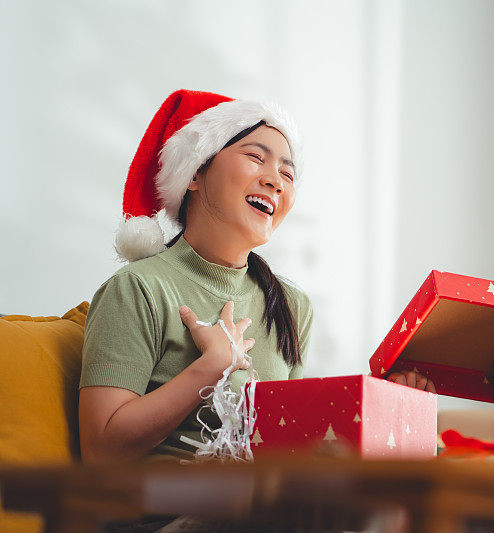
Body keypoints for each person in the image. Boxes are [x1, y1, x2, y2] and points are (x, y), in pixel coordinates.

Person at [77, 89, 433, 531]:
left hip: (264, 505)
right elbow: (100, 450)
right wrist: (210, 368)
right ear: (195, 173)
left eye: (288, 172)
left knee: (397, 501)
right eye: (256, 157)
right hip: (162, 518)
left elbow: (291, 445)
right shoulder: (138, 288)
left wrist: (393, 412)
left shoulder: (290, 307)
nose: (276, 179)